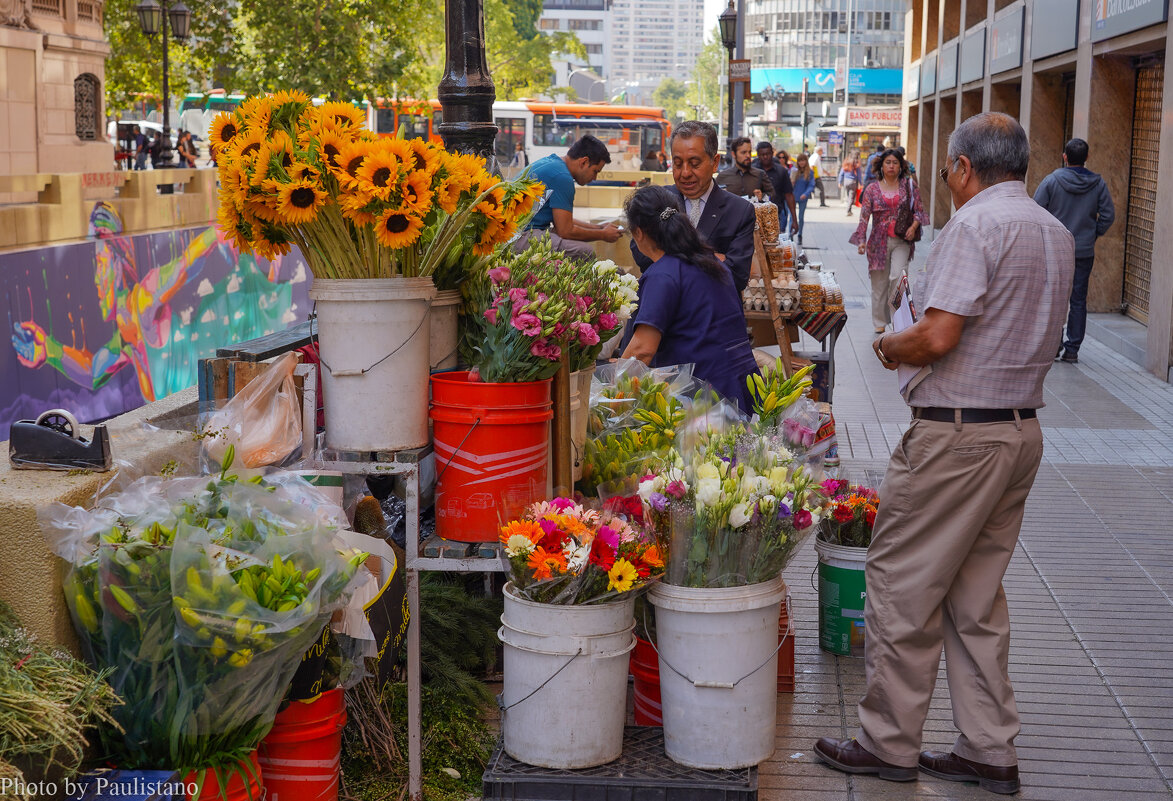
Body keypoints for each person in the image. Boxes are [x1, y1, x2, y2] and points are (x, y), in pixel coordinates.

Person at [814, 112, 1074, 797]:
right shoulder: (1050, 228)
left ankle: (885, 741)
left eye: (947, 169)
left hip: (957, 437)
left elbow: (935, 337)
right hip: (1019, 430)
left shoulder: (976, 226)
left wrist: (886, 345)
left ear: (962, 167)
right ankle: (988, 748)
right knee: (975, 596)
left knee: (901, 584)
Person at [621, 184, 760, 412]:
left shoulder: (663, 274)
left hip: (702, 400)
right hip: (739, 389)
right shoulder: (713, 263)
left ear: (639, 233)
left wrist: (610, 392)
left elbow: (642, 350)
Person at [628, 121, 755, 293]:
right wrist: (712, 258)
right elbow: (642, 255)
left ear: (715, 162)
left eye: (694, 164)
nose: (685, 173)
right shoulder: (658, 201)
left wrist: (667, 252)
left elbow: (737, 276)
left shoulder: (740, 211)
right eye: (678, 164)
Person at [1033, 137, 1115, 364]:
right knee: (1078, 300)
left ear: (1065, 157)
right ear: (1087, 158)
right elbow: (1108, 215)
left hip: (1055, 250)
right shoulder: (1098, 184)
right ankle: (1072, 350)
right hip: (1083, 251)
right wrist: (1092, 234)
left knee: (1054, 296)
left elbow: (1035, 210)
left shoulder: (1051, 181)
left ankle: (1054, 344)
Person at [850, 148, 928, 334]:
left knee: (898, 277)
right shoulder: (872, 189)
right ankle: (879, 320)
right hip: (878, 242)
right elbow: (864, 217)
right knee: (879, 284)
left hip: (902, 239)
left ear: (901, 166)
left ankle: (897, 319)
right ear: (882, 166)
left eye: (895, 162)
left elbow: (919, 210)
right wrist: (861, 239)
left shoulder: (909, 186)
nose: (891, 166)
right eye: (888, 162)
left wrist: (913, 227)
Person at [514, 134, 621, 260]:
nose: (594, 178)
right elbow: (565, 230)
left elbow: (563, 220)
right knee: (585, 252)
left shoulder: (554, 164)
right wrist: (602, 235)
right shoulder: (562, 177)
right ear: (584, 162)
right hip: (518, 236)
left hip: (520, 231)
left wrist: (599, 227)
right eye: (595, 171)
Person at [756, 141, 798, 236]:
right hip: (755, 217)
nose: (765, 157)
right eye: (762, 154)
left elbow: (789, 195)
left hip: (775, 216)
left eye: (767, 154)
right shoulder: (753, 170)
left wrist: (794, 220)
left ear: (772, 153)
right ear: (758, 155)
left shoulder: (781, 171)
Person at [715, 136, 775, 202]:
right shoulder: (723, 176)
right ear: (733, 154)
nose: (748, 156)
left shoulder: (760, 174)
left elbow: (773, 196)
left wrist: (763, 197)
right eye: (743, 152)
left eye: (749, 152)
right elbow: (714, 200)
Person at [790, 153, 817, 244]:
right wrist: (791, 183)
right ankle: (791, 234)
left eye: (803, 160)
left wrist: (806, 194)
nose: (801, 162)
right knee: (792, 217)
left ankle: (800, 234)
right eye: (800, 160)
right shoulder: (793, 171)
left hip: (803, 197)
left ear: (806, 161)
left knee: (801, 217)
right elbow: (788, 183)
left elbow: (811, 185)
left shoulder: (810, 172)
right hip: (793, 197)